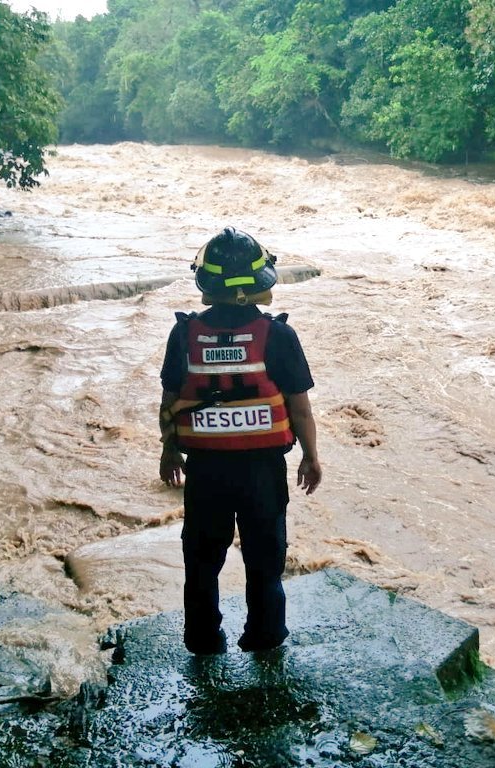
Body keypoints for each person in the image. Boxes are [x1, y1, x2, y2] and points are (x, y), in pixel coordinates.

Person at [158, 226, 322, 655]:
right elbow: (299, 408)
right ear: (258, 283)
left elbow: (171, 400)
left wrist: (169, 449)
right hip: (262, 472)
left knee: (201, 562)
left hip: (205, 471)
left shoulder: (184, 335)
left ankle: (203, 639)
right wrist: (310, 456)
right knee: (265, 562)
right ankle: (264, 638)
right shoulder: (278, 336)